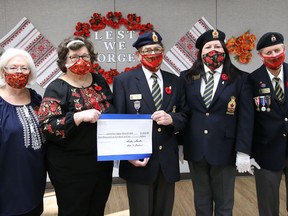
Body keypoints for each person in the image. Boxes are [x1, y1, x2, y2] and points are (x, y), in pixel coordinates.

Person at [181, 29, 258, 215]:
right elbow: (183, 111)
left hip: (225, 149)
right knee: (201, 202)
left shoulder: (240, 78)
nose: (213, 50)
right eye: (208, 47)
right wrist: (179, 144)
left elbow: (246, 118)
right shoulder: (187, 77)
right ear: (200, 53)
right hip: (196, 147)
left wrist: (243, 151)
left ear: (224, 51)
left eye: (217, 46)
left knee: (224, 204)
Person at [113, 31, 188, 216]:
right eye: (147, 50)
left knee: (164, 211)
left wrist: (173, 119)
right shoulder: (124, 81)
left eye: (157, 49)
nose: (153, 54)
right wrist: (126, 154)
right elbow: (117, 120)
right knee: (141, 211)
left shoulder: (175, 81)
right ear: (138, 54)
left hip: (167, 161)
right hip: (138, 160)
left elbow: (186, 113)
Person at [37, 36, 115, 216]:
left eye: (85, 56)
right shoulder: (56, 87)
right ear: (64, 62)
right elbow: (47, 127)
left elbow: (111, 107)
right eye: (73, 57)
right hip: (69, 167)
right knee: (74, 210)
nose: (81, 61)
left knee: (97, 208)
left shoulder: (98, 81)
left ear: (92, 58)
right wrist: (77, 117)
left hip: (101, 162)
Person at [0, 48, 46, 215]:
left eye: (24, 68)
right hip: (6, 180)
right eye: (13, 67)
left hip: (33, 176)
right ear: (3, 70)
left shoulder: (36, 99)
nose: (19, 72)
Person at [250, 32, 288, 216]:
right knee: (268, 207)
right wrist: (246, 153)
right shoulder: (251, 80)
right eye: (269, 52)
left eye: (277, 50)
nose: (274, 55)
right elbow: (248, 120)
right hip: (266, 152)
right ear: (260, 55)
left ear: (284, 49)